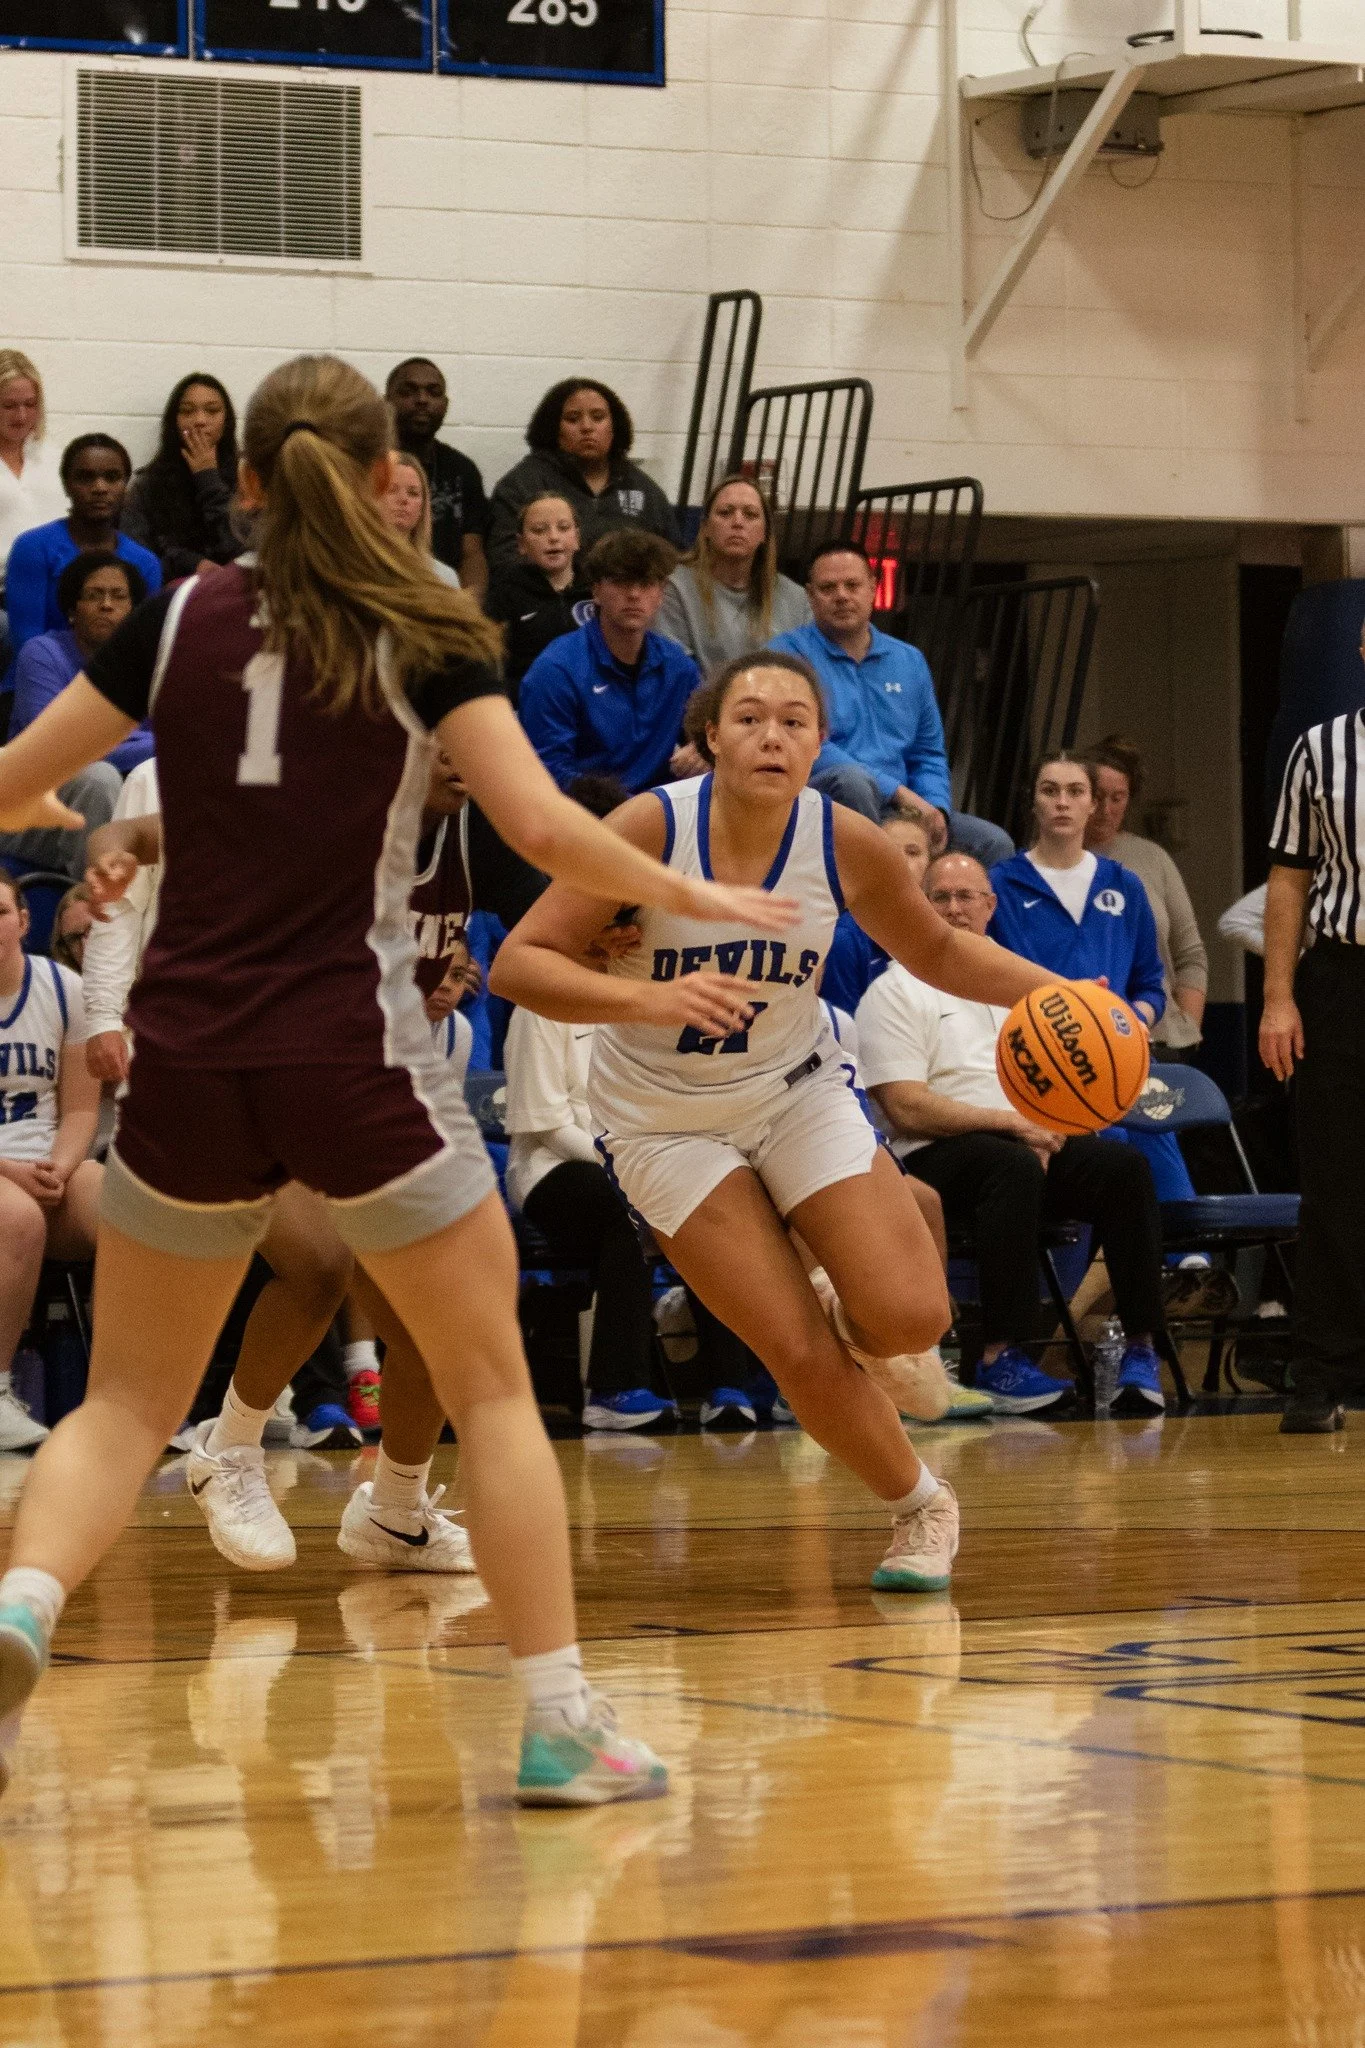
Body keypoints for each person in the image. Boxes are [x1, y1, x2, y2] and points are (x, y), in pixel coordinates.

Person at [0, 351, 797, 1807]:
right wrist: (704, 895)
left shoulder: (174, 615)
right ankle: (558, 1722)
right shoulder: (423, 626)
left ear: (243, 479)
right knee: (490, 1386)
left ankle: (22, 1607)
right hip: (350, 1053)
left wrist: (70, 815)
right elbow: (549, 831)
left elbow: (9, 788)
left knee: (120, 1405)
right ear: (385, 481)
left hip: (186, 1058)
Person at [490, 652, 1059, 1595]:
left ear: (820, 742)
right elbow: (518, 964)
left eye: (796, 721)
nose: (773, 736)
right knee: (792, 1346)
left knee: (913, 1316)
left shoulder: (845, 841)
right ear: (709, 735)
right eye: (750, 717)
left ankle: (854, 1310)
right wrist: (646, 1002)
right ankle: (921, 1506)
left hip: (793, 1092)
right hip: (661, 1122)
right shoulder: (647, 826)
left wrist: (1065, 991)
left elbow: (937, 950)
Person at [860, 851, 1170, 1416]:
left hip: (1025, 1145)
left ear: (990, 906)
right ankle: (1000, 1356)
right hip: (935, 1156)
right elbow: (904, 1107)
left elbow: (1057, 1085)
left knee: (1122, 1167)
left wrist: (1050, 1128)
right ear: (920, 908)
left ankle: (1142, 1352)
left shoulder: (1017, 990)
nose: (954, 910)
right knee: (1009, 1165)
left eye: (966, 897)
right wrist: (1013, 1126)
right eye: (940, 898)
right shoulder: (894, 990)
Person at [769, 543, 1013, 867]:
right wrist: (899, 793)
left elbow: (927, 751)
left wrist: (935, 807)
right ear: (811, 596)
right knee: (854, 782)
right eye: (828, 588)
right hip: (824, 799)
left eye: (852, 585)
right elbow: (808, 745)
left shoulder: (908, 660)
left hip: (904, 807)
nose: (841, 596)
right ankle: (869, 906)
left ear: (873, 587)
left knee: (993, 843)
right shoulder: (785, 656)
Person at [1261, 703, 1365, 1433]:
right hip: (1341, 979)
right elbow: (1288, 878)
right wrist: (1275, 999)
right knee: (1333, 1180)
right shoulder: (1320, 747)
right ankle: (1321, 1374)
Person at [0, 875, 102, 1453]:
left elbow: (83, 1109)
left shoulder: (64, 988)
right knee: (17, 1218)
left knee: (122, 1209)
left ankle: (123, 1397)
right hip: (7, 1178)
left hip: (47, 1164)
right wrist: (15, 1174)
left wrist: (61, 1169)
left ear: (23, 920)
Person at [3, 554, 152, 878]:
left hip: (113, 807)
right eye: (94, 595)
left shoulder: (147, 664)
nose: (107, 605)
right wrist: (154, 744)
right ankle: (91, 910)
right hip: (27, 812)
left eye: (118, 596)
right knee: (97, 777)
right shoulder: (42, 655)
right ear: (72, 610)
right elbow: (60, 749)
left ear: (133, 610)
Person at [519, 530, 698, 796]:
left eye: (646, 583)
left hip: (659, 818)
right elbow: (548, 773)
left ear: (660, 595)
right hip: (582, 820)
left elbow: (717, 735)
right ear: (596, 591)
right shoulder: (556, 670)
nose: (635, 594)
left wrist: (705, 749)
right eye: (621, 582)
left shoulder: (679, 668)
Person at [1084, 734, 1208, 1058]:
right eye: (1097, 796)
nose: (1106, 810)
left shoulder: (1152, 858)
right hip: (1084, 1036)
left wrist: (1188, 1027)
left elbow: (1190, 953)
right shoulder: (1050, 861)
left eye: (1118, 798)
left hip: (1159, 1037)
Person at [488, 378, 680, 575]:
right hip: (547, 600)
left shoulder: (644, 489)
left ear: (614, 428)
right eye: (572, 419)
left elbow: (674, 561)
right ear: (553, 429)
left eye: (598, 417)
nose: (587, 427)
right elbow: (505, 560)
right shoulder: (523, 485)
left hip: (626, 600)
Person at [4, 435, 161, 663]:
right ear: (67, 485)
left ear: (125, 486)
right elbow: (27, 643)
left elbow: (141, 645)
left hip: (112, 685)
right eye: (86, 478)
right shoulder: (32, 548)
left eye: (112, 477)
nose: (99, 487)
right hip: (39, 678)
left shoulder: (145, 563)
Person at [656, 474, 810, 676]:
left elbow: (805, 674)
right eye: (725, 513)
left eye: (750, 514)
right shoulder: (674, 587)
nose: (737, 522)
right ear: (705, 529)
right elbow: (676, 674)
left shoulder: (796, 599)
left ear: (764, 533)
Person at [120, 372, 242, 581]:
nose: (200, 421)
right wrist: (192, 563)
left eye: (212, 411)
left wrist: (207, 477)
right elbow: (136, 555)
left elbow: (241, 547)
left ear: (226, 420)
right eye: (187, 411)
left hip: (235, 594)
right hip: (170, 597)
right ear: (174, 421)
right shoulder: (148, 485)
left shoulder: (248, 477)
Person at [385, 359, 489, 597]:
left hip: (443, 592)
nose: (422, 400)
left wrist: (469, 604)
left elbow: (472, 552)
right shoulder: (363, 464)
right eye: (408, 391)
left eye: (433, 392)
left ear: (445, 404)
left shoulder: (462, 470)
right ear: (386, 402)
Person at [484, 494, 591, 694]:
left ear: (577, 538)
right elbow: (490, 668)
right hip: (527, 703)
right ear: (522, 544)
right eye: (539, 530)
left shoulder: (597, 590)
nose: (553, 537)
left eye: (563, 527)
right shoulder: (505, 594)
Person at [0, 353, 65, 608]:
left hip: (55, 586)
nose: (21, 415)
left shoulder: (53, 457)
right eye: (9, 406)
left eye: (30, 404)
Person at [383, 452, 461, 588]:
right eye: (392, 489)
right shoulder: (351, 567)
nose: (403, 499)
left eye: (413, 493)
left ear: (422, 508)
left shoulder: (443, 578)